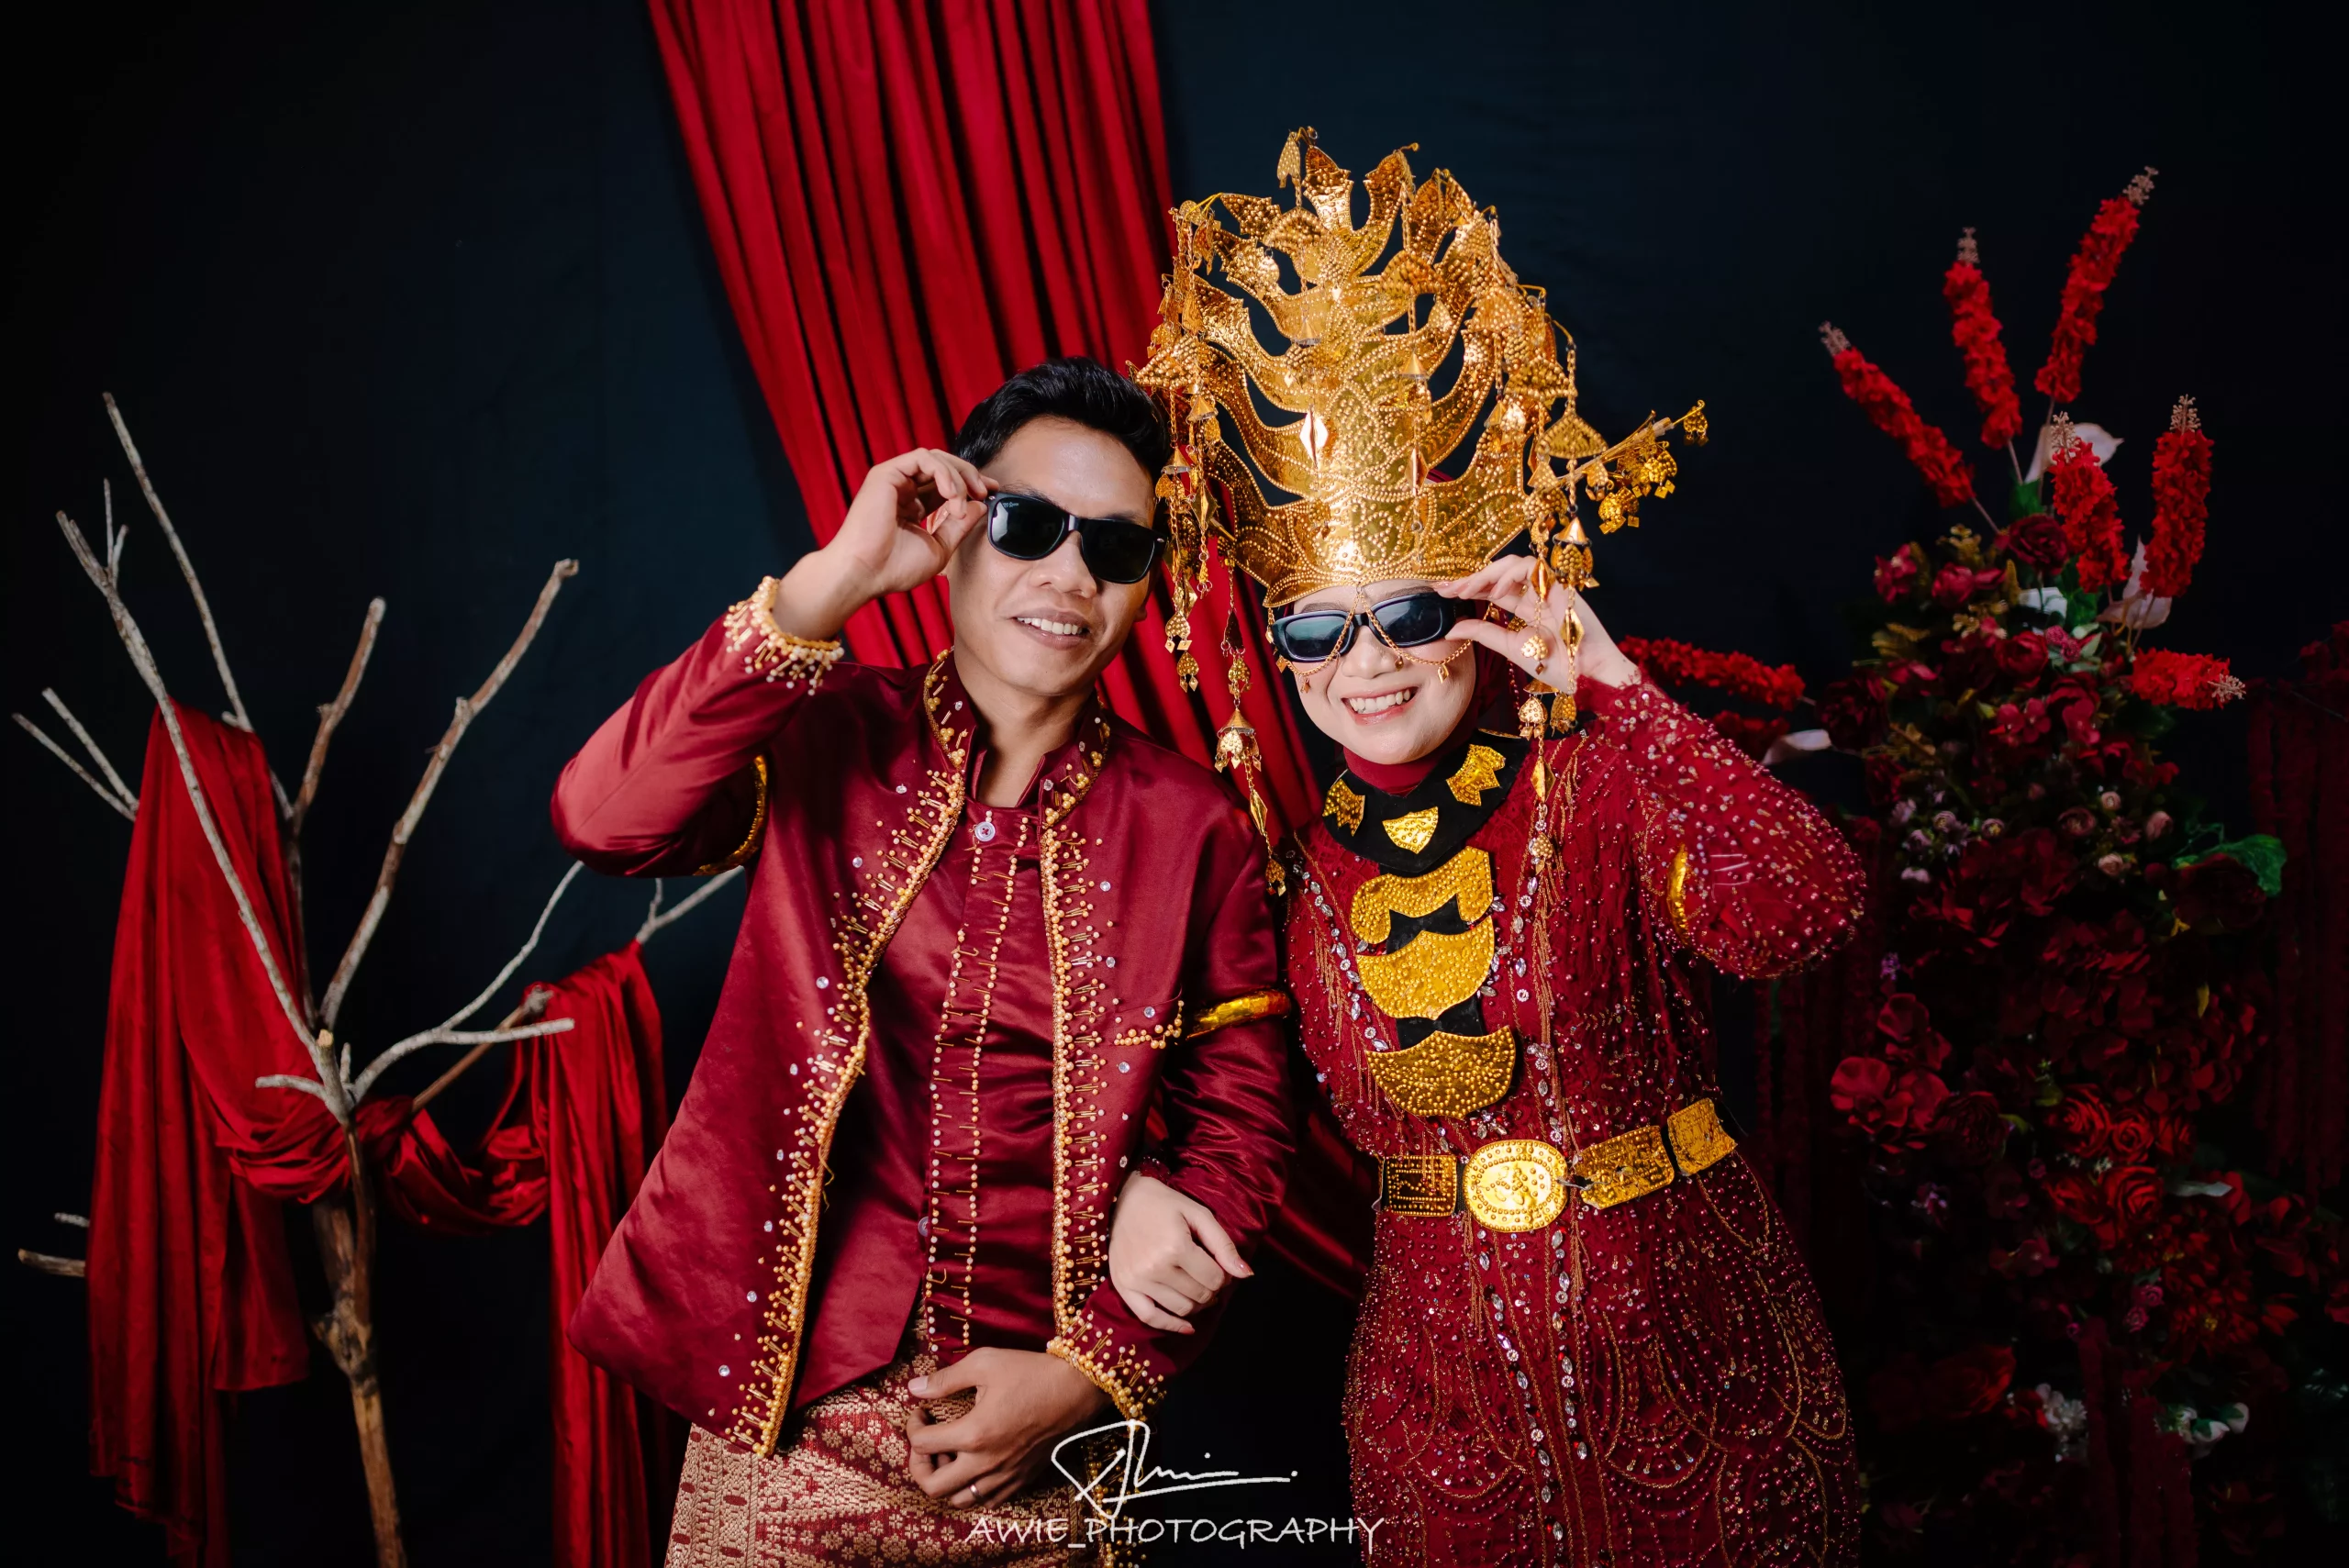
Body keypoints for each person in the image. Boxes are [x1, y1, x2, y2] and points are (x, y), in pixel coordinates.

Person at [1112, 134, 1865, 1565]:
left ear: (1479, 609)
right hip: (1443, 1432)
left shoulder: (1603, 783)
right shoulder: (1283, 874)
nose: (1367, 665)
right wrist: (1158, 1179)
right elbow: (1223, 1101)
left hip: (1709, 1383)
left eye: (1409, 614)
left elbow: (1801, 909)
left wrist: (1620, 688)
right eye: (1318, 629)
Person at [552, 357, 1295, 1565]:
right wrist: (833, 581)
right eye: (1027, 524)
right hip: (783, 1422)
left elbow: (1244, 1127)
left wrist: (1093, 1373)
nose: (1069, 576)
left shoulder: (1190, 830)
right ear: (953, 526)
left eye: (1114, 549)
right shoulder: (823, 731)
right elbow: (604, 818)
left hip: (1044, 1447)